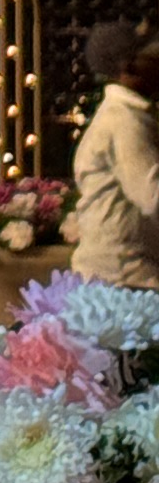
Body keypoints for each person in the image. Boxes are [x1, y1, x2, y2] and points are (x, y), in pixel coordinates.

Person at [75, 21, 159, 287]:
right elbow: (153, 195)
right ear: (128, 66)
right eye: (152, 56)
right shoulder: (124, 122)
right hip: (123, 279)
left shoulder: (128, 115)